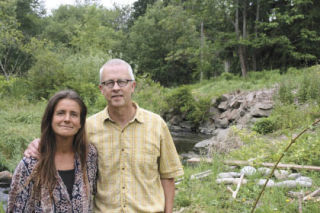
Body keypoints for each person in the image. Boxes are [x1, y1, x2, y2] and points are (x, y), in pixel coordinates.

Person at [25, 59, 184, 212]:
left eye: (122, 82)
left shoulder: (157, 125)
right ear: (101, 89)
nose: (116, 88)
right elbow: (61, 147)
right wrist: (40, 143)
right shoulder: (87, 127)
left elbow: (168, 177)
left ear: (133, 86)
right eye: (109, 83)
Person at [8, 90, 98, 213]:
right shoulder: (31, 163)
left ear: (81, 122)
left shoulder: (89, 156)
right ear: (50, 119)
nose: (67, 119)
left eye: (74, 114)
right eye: (60, 113)